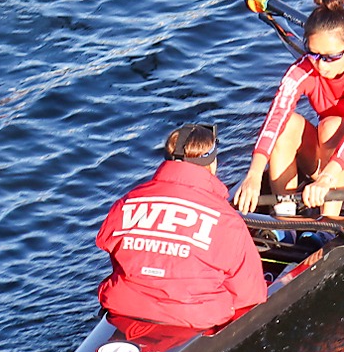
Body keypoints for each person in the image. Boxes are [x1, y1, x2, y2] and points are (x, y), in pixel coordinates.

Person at [234, 0, 344, 219]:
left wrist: (328, 177)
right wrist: (254, 173)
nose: (321, 65)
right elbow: (274, 119)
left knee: (331, 126)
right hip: (329, 158)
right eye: (313, 54)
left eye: (330, 57)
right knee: (287, 123)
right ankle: (286, 220)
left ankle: (328, 223)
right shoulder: (301, 71)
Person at [98, 123, 267, 336]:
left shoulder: (127, 202)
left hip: (125, 306)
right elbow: (251, 295)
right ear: (212, 163)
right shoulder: (226, 220)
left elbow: (111, 248)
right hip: (195, 319)